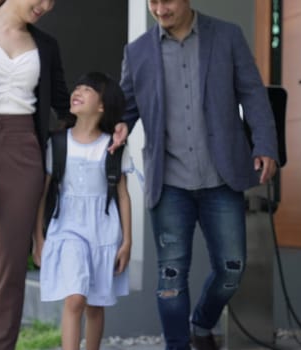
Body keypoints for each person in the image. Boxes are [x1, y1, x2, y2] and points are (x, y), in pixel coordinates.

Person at [0, 1, 125, 348]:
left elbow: (64, 104)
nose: (45, 6)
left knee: (11, 268)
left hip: (24, 155)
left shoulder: (46, 45)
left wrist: (114, 122)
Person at [119, 1, 279, 349]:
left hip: (220, 178)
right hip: (169, 182)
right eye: (152, 2)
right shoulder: (137, 52)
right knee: (171, 277)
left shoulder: (227, 37)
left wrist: (265, 144)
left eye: (167, 1)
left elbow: (252, 93)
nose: (160, 9)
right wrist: (114, 129)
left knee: (232, 269)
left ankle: (202, 323)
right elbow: (126, 109)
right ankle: (178, 345)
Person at [32, 72, 133, 350]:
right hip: (67, 228)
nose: (77, 91)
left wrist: (127, 242)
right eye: (78, 87)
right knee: (75, 298)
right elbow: (43, 193)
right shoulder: (58, 143)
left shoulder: (113, 147)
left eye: (87, 90)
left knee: (95, 304)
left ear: (102, 106)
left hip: (103, 230)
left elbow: (123, 196)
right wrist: (38, 238)